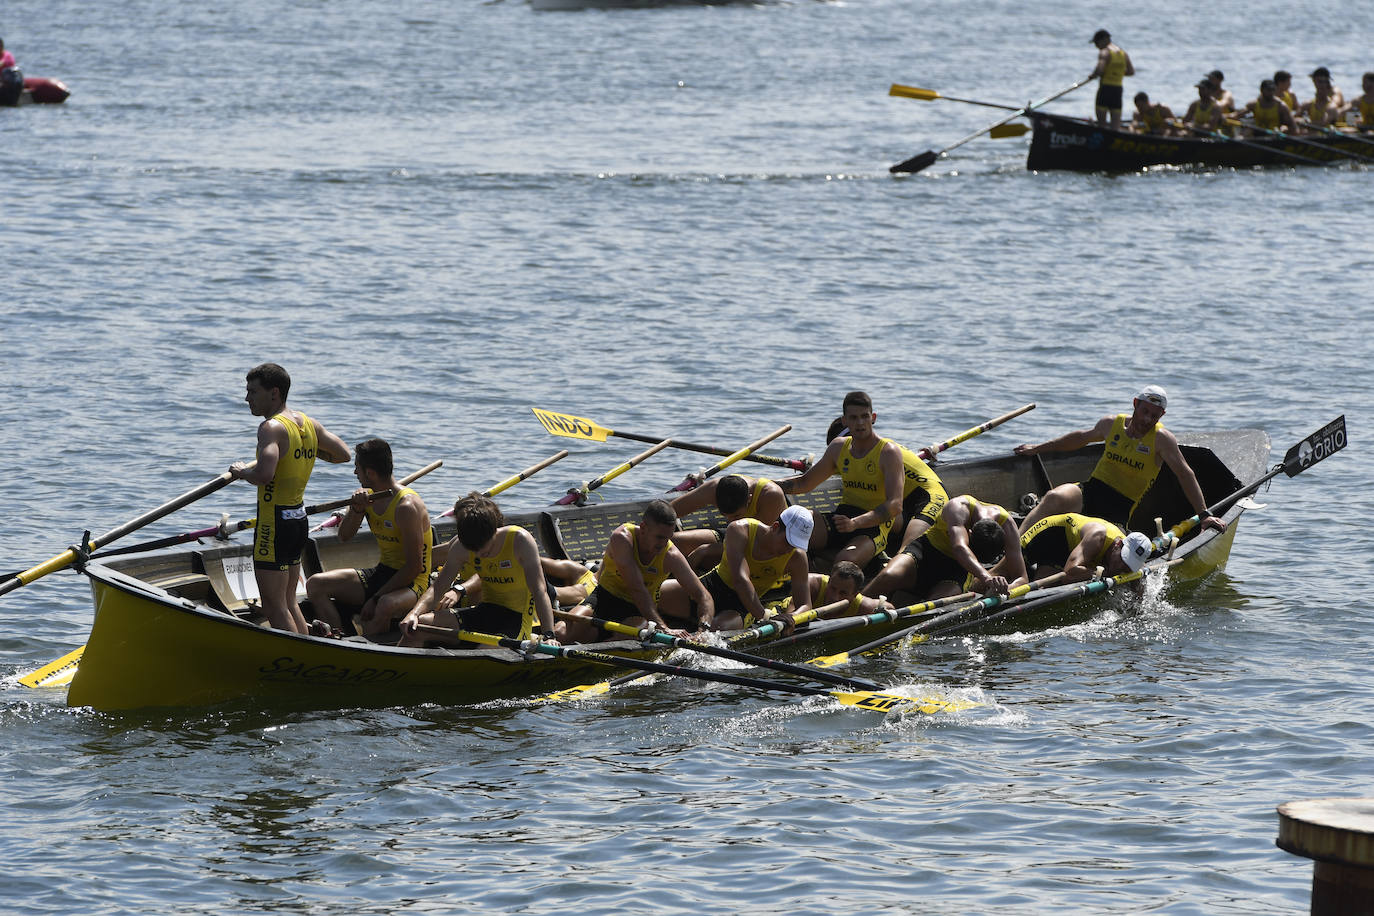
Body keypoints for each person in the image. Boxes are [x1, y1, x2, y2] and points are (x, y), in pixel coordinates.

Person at [228, 363, 350, 634]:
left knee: (273, 605)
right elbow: (343, 454)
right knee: (288, 599)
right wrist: (301, 450)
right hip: (297, 519)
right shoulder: (308, 424)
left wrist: (241, 472)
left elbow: (264, 475)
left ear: (274, 393)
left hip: (273, 524)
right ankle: (308, 649)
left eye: (252, 391)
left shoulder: (270, 428)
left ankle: (296, 656)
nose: (247, 398)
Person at [1013, 385, 1226, 535]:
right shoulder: (1111, 424)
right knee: (1053, 497)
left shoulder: (1162, 439)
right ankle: (1015, 548)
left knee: (1096, 540)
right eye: (1145, 411)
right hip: (1092, 491)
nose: (1147, 419)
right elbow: (1080, 438)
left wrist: (1204, 514)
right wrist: (1038, 448)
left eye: (1155, 416)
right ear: (1135, 404)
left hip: (1119, 509)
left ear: (1161, 416)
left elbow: (1184, 473)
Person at [777, 391, 946, 574]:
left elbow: (895, 506)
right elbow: (803, 484)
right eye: (854, 418)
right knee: (790, 529)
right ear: (845, 421)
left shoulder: (888, 452)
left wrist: (855, 523)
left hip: (926, 493)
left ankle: (892, 565)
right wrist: (764, 485)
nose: (859, 423)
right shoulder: (839, 448)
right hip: (854, 514)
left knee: (907, 551)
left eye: (864, 417)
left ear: (873, 418)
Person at [304, 438, 433, 638]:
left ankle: (368, 647)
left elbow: (413, 567)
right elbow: (344, 536)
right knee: (315, 584)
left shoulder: (406, 507)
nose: (355, 473)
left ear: (370, 473)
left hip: (413, 582)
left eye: (357, 468)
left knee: (384, 604)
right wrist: (356, 510)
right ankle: (341, 639)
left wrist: (376, 597)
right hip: (383, 571)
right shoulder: (368, 498)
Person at [399, 493, 559, 647]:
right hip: (485, 611)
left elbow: (539, 591)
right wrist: (414, 613)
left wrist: (549, 634)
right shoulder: (460, 546)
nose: (478, 554)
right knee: (416, 628)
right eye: (472, 549)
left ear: (493, 531)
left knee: (486, 651)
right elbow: (438, 588)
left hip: (516, 620)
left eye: (483, 549)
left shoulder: (519, 541)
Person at [557, 500, 709, 644]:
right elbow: (636, 587)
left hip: (637, 611)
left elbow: (703, 596)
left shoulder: (671, 555)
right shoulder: (622, 538)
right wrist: (664, 628)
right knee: (561, 633)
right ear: (643, 528)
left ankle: (604, 644)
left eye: (668, 538)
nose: (663, 544)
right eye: (659, 537)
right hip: (603, 599)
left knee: (622, 638)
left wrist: (704, 630)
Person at [659, 505, 813, 632]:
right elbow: (741, 580)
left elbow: (805, 605)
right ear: (775, 527)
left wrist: (791, 618)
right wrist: (766, 617)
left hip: (742, 606)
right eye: (787, 542)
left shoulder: (797, 557)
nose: (789, 549)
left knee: (716, 630)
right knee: (655, 595)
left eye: (795, 545)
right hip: (711, 587)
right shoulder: (740, 530)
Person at [868, 495, 1026, 600]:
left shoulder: (1008, 527)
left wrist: (1006, 590)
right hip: (926, 551)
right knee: (888, 575)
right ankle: (855, 608)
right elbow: (959, 548)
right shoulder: (958, 507)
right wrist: (987, 578)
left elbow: (1022, 577)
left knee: (938, 604)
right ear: (969, 534)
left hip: (958, 569)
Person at [669, 473, 788, 571]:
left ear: (749, 499)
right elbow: (670, 512)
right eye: (725, 516)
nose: (731, 521)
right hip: (733, 538)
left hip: (764, 548)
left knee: (707, 557)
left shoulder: (771, 496)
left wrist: (705, 550)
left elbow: (755, 546)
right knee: (673, 543)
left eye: (737, 516)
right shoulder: (712, 489)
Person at [1014, 513, 1151, 583]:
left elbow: (1138, 582)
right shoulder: (1098, 537)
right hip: (1051, 536)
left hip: (1070, 550)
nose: (1122, 567)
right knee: (1017, 577)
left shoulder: (1134, 557)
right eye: (1122, 560)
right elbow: (1070, 572)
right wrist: (1104, 574)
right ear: (1118, 544)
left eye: (1128, 566)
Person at [1089, 29, 1134, 130]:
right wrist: (1116, 73)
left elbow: (1100, 69)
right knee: (1115, 123)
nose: (1096, 46)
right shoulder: (1123, 54)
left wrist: (1093, 75)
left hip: (1105, 88)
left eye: (1096, 43)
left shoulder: (1105, 52)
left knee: (1101, 123)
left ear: (1103, 40)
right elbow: (1131, 72)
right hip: (1118, 90)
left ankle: (1101, 137)